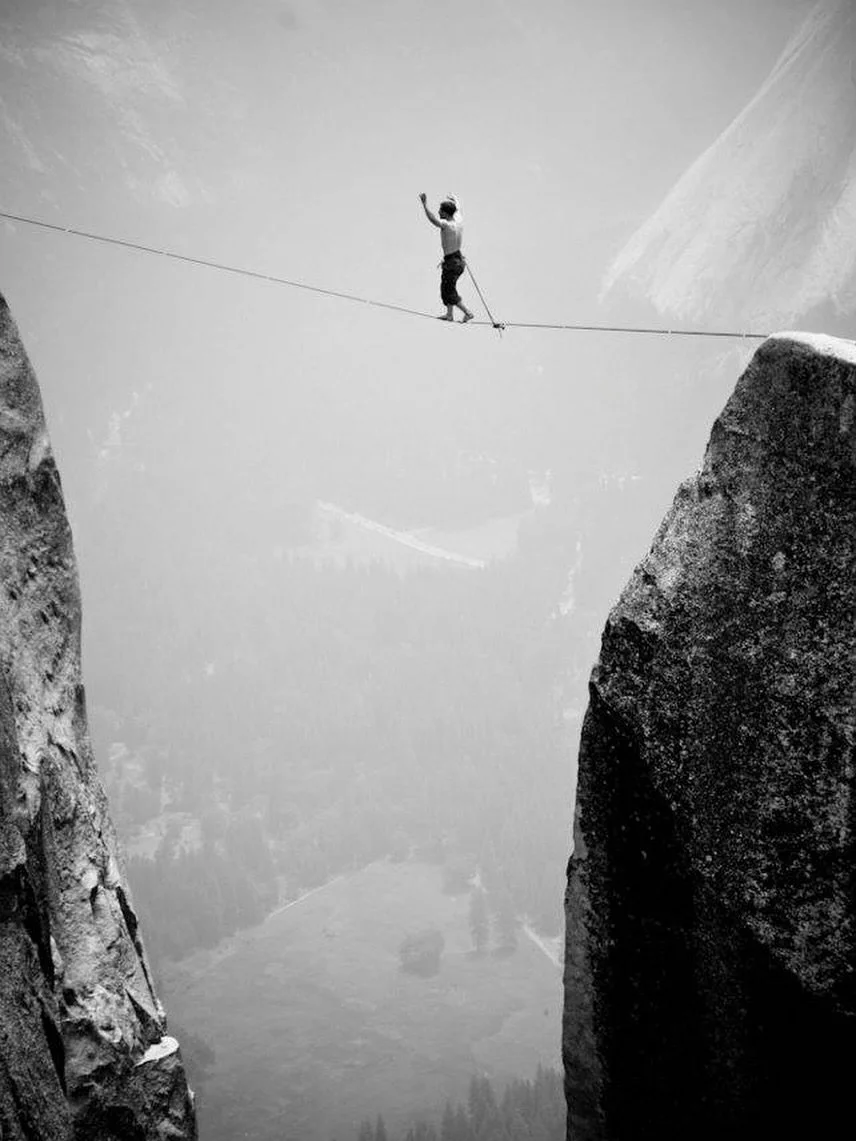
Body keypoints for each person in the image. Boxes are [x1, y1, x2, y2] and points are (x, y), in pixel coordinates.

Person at [419, 193, 474, 322]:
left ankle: (467, 312)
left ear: (445, 213)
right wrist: (455, 199)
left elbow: (433, 219)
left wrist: (425, 205)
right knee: (447, 287)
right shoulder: (458, 220)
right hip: (458, 260)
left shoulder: (446, 225)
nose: (438, 212)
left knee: (448, 290)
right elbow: (458, 208)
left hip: (452, 263)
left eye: (440, 211)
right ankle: (449, 314)